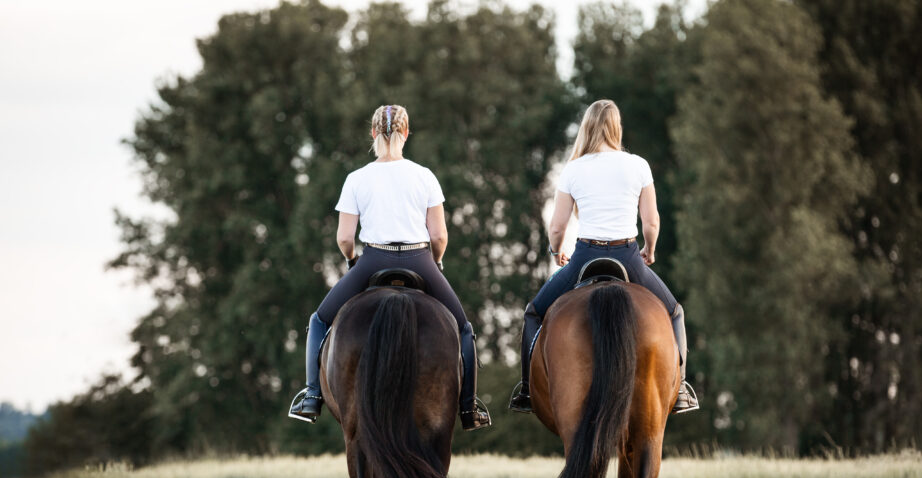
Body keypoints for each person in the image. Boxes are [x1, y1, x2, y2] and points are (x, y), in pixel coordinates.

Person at [289, 104, 491, 431]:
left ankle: (312, 396)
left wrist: (353, 261)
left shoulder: (357, 179)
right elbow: (439, 234)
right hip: (420, 260)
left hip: (372, 260)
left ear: (372, 133)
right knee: (463, 328)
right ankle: (469, 408)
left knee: (319, 320)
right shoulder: (424, 175)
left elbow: (344, 238)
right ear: (407, 133)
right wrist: (436, 261)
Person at [508, 99, 699, 415]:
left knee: (533, 312)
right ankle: (679, 390)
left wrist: (557, 252)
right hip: (629, 255)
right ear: (616, 127)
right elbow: (651, 222)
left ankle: (528, 391)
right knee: (675, 312)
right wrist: (649, 250)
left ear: (587, 127)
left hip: (584, 256)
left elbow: (557, 227)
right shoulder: (638, 165)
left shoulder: (574, 168)